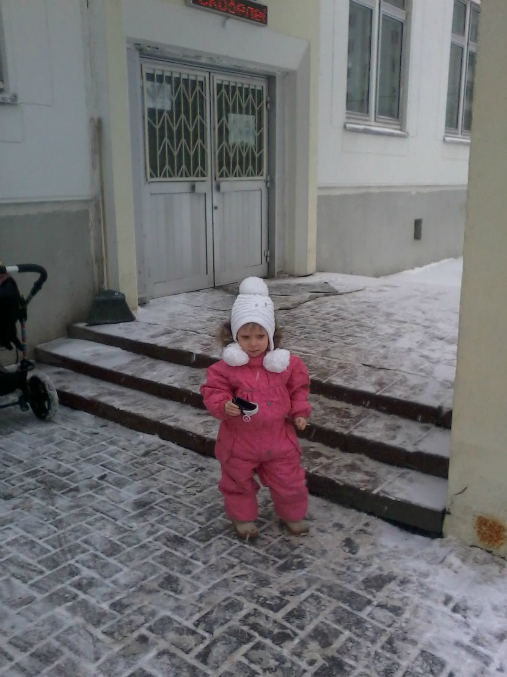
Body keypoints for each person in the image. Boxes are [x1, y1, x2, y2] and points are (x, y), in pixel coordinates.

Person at [200, 277, 311, 541]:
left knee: (289, 480)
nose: (253, 344)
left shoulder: (286, 365)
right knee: (237, 482)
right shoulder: (225, 369)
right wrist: (223, 405)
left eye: (260, 336)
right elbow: (213, 391)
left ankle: (292, 514)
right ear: (234, 337)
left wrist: (299, 412)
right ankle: (243, 519)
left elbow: (299, 389)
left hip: (279, 439)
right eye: (245, 337)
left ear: (270, 336)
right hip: (239, 442)